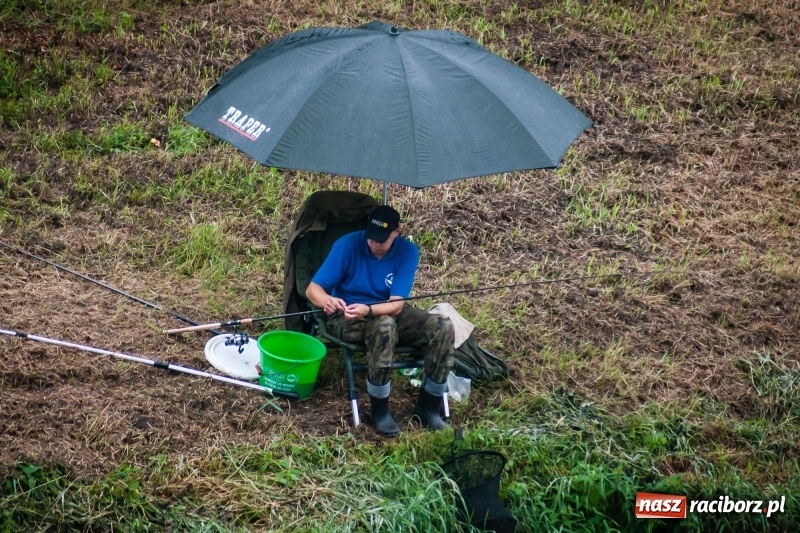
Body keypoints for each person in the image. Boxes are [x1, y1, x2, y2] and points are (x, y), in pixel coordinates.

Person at [306, 204, 454, 437]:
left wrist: (369, 309)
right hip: (348, 315)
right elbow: (312, 289)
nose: (375, 244)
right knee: (384, 327)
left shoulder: (407, 252)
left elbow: (396, 305)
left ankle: (429, 408)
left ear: (397, 232)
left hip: (386, 310)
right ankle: (380, 410)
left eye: (381, 240)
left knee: (442, 326)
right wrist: (327, 300)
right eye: (371, 238)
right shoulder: (347, 245)